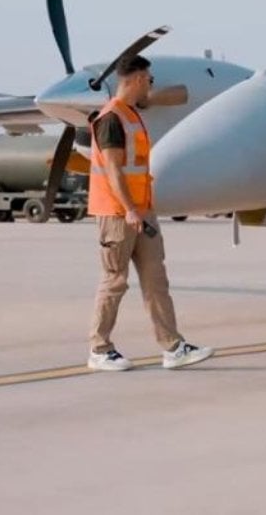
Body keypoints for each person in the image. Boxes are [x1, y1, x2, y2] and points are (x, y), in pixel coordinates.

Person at [86, 55, 213, 371]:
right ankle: (99, 349)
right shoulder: (111, 119)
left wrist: (141, 210)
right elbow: (113, 170)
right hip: (118, 215)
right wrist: (130, 209)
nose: (151, 86)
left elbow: (175, 95)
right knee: (115, 281)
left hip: (142, 212)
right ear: (139, 79)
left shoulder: (131, 113)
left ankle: (173, 347)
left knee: (156, 281)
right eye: (150, 80)